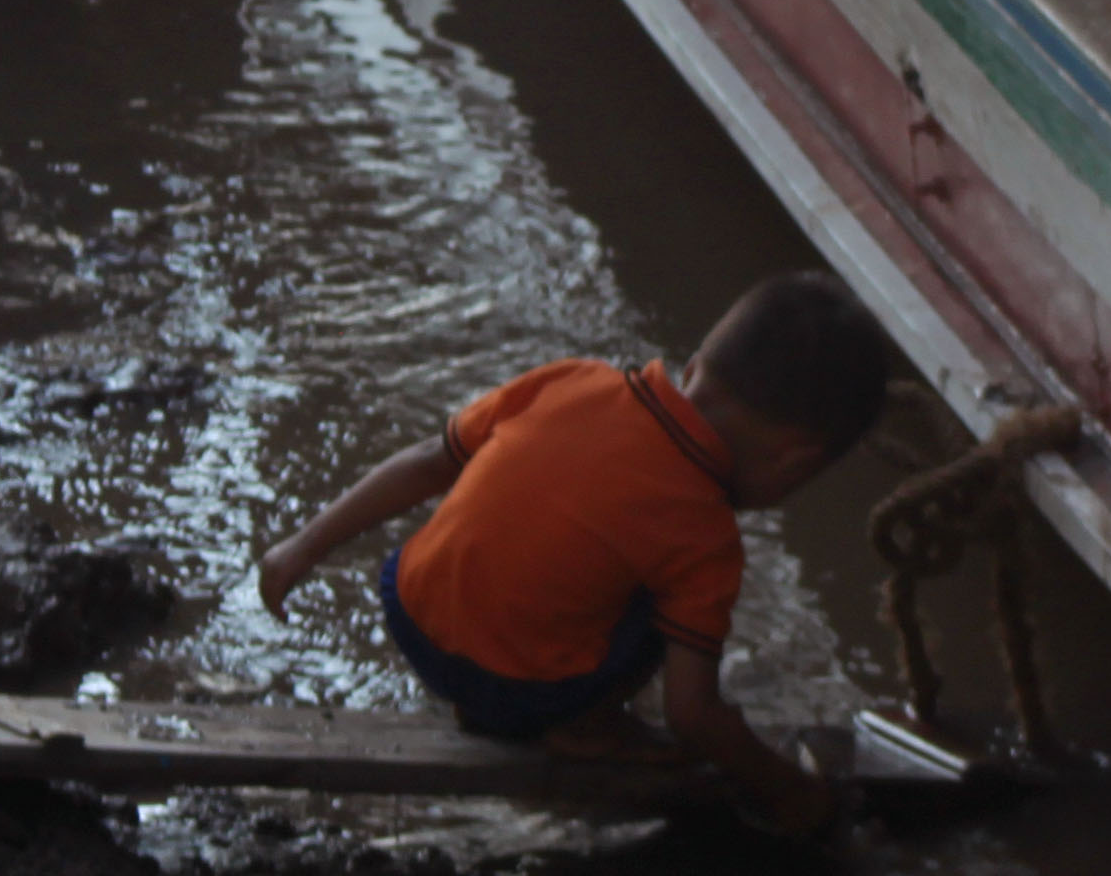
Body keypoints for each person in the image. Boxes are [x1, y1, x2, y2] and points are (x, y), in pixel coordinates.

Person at [253, 274, 894, 836]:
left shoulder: (570, 380)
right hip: (518, 691)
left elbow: (427, 461)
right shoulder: (706, 535)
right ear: (794, 462)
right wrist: (792, 791)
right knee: (670, 611)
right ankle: (585, 725)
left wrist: (298, 549)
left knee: (525, 524)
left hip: (409, 614)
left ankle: (492, 687)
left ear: (695, 367)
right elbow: (692, 714)